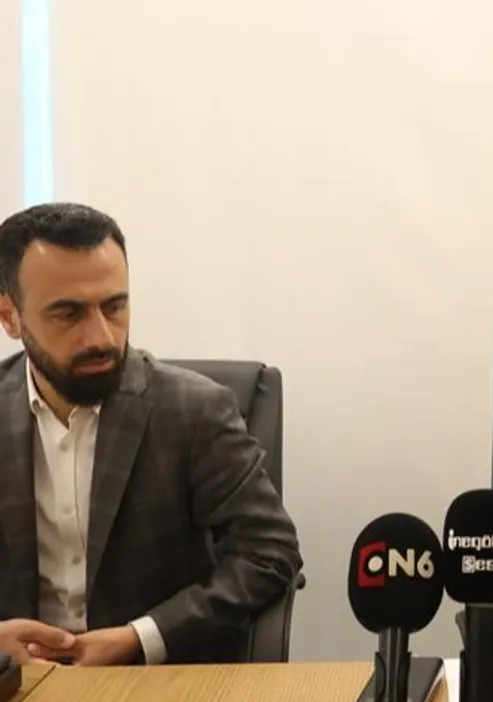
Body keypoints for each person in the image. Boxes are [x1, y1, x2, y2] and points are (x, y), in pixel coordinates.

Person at [0, 203, 302, 665]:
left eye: (114, 306)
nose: (101, 338)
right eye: (68, 313)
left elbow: (270, 553)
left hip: (156, 678)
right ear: (10, 316)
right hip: (19, 686)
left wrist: (138, 639)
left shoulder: (194, 410)